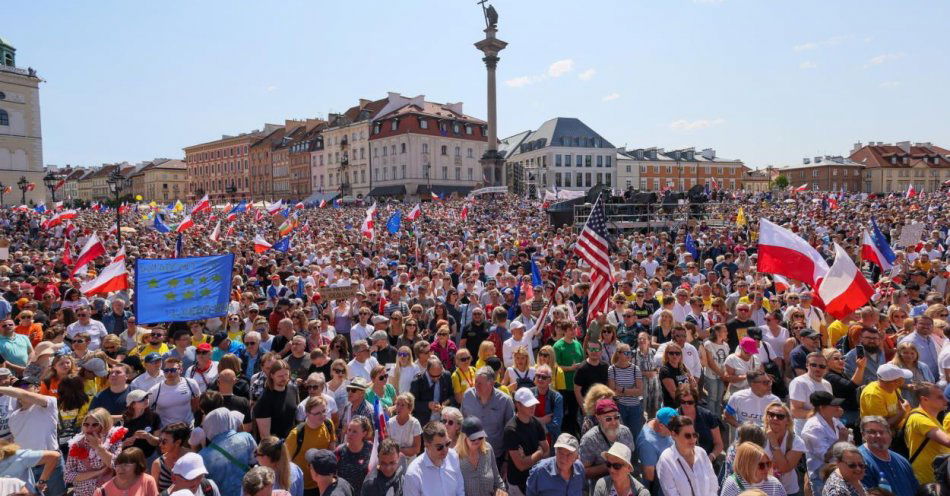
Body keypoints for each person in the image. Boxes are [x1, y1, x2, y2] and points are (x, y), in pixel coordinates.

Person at [3, 376, 66, 495]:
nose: (21, 389)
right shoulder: (12, 417)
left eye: (26, 386)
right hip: (27, 467)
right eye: (17, 387)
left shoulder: (49, 403)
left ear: (37, 388)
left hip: (52, 464)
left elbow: (23, 395)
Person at [64, 407, 125, 496]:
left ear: (104, 425)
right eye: (86, 424)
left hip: (108, 492)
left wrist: (98, 448)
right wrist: (97, 473)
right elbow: (68, 476)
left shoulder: (113, 439)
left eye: (95, 425)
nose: (89, 428)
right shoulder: (76, 444)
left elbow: (117, 465)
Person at [196, 407, 256, 496]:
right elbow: (255, 462)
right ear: (230, 420)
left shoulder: (202, 456)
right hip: (248, 492)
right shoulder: (246, 438)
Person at [461, 366, 515, 465]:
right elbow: (462, 424)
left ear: (491, 384)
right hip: (471, 454)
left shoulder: (505, 401)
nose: (476, 386)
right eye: (475, 382)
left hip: (496, 456)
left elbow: (511, 434)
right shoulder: (468, 396)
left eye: (480, 383)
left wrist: (507, 461)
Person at [285, 396, 336, 496]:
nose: (322, 415)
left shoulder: (328, 424)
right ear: (307, 414)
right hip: (303, 487)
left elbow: (331, 448)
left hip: (323, 483)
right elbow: (285, 462)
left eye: (324, 411)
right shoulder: (296, 434)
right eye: (317, 413)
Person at [656, 415, 719, 496]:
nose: (693, 439)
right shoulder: (666, 460)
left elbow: (713, 482)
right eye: (687, 436)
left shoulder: (701, 453)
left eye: (694, 435)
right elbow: (671, 494)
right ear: (674, 435)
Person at [800, 391, 848, 496]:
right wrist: (841, 441)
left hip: (839, 473)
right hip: (821, 478)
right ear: (822, 407)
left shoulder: (835, 421)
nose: (837, 407)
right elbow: (825, 457)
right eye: (833, 405)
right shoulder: (813, 427)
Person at [857, 415, 918, 496]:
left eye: (882, 432)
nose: (878, 436)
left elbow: (915, 489)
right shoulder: (858, 461)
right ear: (863, 435)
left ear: (890, 434)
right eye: (872, 432)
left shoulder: (901, 460)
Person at [904, 382, 950, 485]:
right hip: (927, 480)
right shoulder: (919, 418)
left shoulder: (931, 418)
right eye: (940, 397)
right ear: (924, 399)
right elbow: (947, 441)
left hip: (937, 476)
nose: (946, 400)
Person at [505, 388, 549, 495]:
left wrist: (528, 458)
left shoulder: (537, 423)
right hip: (518, 483)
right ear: (517, 405)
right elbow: (521, 465)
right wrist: (539, 453)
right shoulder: (511, 430)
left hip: (535, 480)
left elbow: (547, 450)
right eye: (528, 404)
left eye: (533, 404)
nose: (533, 407)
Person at [403, 421, 465, 496]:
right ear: (427, 445)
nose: (445, 449)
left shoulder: (453, 456)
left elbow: (460, 489)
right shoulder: (413, 473)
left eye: (447, 443)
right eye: (439, 447)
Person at [761, 402, 804, 496]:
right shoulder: (758, 435)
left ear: (788, 421)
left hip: (787, 491)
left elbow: (783, 468)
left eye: (780, 416)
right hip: (760, 489)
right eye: (771, 414)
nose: (775, 418)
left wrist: (773, 442)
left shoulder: (796, 441)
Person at [457, 417, 506, 496]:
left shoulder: (488, 449)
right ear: (464, 438)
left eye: (480, 437)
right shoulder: (454, 456)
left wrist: (501, 491)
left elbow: (497, 480)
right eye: (473, 439)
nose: (477, 441)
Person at [676, 383, 723, 463]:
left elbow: (719, 444)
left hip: (706, 461)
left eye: (690, 402)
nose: (686, 405)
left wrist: (711, 457)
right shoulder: (675, 417)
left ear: (695, 401)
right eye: (683, 402)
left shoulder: (707, 415)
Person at [148, 357, 200, 428]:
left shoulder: (191, 383)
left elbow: (196, 407)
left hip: (188, 429)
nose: (169, 373)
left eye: (173, 370)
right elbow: (148, 411)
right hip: (166, 433)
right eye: (166, 370)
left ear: (181, 370)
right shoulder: (155, 390)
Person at [254, 359, 300, 439]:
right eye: (280, 376)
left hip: (292, 443)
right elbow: (265, 436)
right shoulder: (264, 400)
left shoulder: (293, 390)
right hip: (275, 447)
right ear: (272, 376)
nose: (284, 378)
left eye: (286, 375)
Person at [787, 352, 832, 435]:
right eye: (813, 365)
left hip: (824, 430)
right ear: (807, 365)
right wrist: (822, 414)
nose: (817, 369)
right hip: (805, 432)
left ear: (826, 368)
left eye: (822, 366)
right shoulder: (799, 382)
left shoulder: (827, 384)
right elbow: (795, 411)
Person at [718, 442, 786, 496]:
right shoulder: (732, 484)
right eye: (761, 465)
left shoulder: (775, 483)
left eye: (768, 464)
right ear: (748, 466)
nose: (766, 468)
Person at [858, 364, 911, 431]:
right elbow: (881, 426)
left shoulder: (894, 388)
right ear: (895, 382)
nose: (904, 380)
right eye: (902, 378)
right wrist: (902, 413)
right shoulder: (873, 395)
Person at [635, 406, 676, 493]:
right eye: (673, 429)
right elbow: (649, 476)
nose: (675, 431)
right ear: (661, 426)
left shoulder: (662, 424)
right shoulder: (647, 443)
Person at [334, 416, 373, 494]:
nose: (350, 434)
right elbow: (332, 475)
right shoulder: (339, 451)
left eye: (354, 431)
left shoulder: (371, 448)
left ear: (364, 433)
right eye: (349, 430)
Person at [409, 357, 452, 426]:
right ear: (427, 370)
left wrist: (446, 404)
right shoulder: (417, 381)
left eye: (439, 375)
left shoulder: (446, 376)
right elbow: (412, 404)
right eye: (433, 376)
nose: (436, 378)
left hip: (443, 421)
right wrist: (427, 405)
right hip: (424, 423)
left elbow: (452, 396)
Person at [150, 422, 191, 493]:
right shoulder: (158, 464)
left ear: (177, 442)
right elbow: (155, 492)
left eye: (164, 442)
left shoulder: (192, 458)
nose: (160, 445)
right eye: (160, 440)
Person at [120, 390, 161, 459]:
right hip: (128, 459)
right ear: (132, 404)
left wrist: (149, 437)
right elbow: (114, 445)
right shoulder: (123, 419)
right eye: (142, 399)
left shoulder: (154, 416)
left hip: (148, 457)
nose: (146, 400)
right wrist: (125, 443)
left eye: (146, 397)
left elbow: (158, 442)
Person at [530, 364, 563, 443]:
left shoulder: (557, 397)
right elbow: (522, 418)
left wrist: (535, 426)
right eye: (538, 376)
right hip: (532, 439)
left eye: (544, 377)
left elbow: (556, 424)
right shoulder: (529, 393)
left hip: (551, 440)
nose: (540, 379)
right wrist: (541, 420)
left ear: (550, 380)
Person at [387, 392, 422, 457]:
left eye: (403, 405)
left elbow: (417, 449)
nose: (399, 407)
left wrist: (399, 450)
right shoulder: (390, 423)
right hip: (393, 461)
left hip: (410, 462)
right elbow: (387, 445)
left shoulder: (415, 423)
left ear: (410, 409)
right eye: (397, 404)